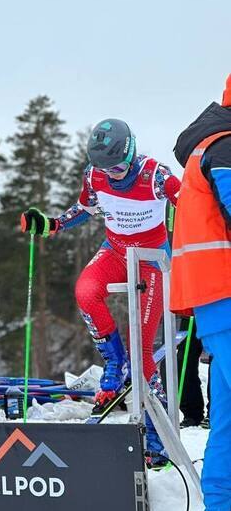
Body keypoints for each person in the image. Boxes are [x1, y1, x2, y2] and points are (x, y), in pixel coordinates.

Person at [21, 119, 181, 467]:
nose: (114, 175)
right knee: (86, 290)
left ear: (132, 153)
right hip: (116, 250)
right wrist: (52, 224)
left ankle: (159, 438)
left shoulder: (155, 175)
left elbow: (189, 205)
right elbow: (86, 208)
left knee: (143, 355)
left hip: (152, 259)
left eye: (120, 167)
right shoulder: (94, 176)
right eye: (106, 169)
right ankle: (113, 360)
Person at [170, 74, 231, 511]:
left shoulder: (210, 142)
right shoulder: (226, 146)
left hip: (214, 304)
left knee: (226, 431)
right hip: (227, 298)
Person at [175, 317, 210, 428]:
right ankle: (192, 413)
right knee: (183, 359)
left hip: (219, 306)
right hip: (191, 308)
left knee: (218, 360)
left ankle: (216, 412)